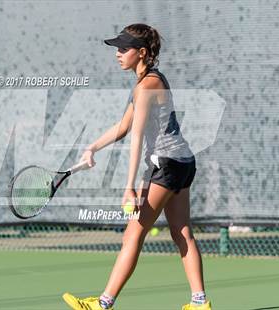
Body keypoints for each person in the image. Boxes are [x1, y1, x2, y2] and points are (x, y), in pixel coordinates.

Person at [62, 24, 211, 310]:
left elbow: (137, 137)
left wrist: (129, 187)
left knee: (134, 233)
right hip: (181, 161)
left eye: (123, 49)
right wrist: (92, 147)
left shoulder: (147, 85)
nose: (117, 54)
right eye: (117, 49)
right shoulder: (147, 82)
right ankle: (200, 302)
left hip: (166, 165)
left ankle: (103, 303)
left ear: (141, 53)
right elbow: (124, 126)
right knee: (181, 231)